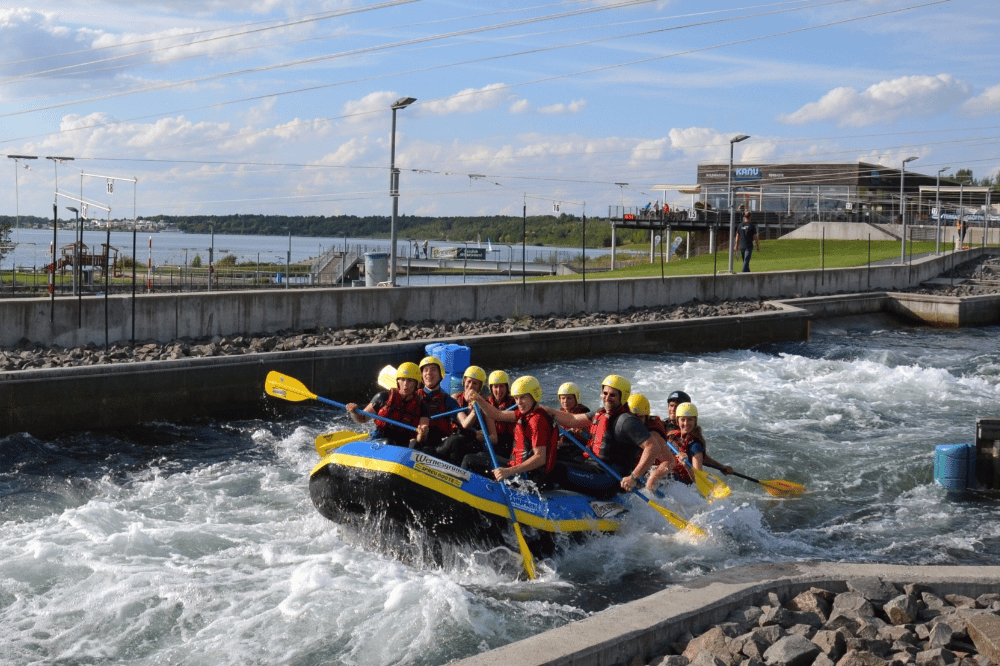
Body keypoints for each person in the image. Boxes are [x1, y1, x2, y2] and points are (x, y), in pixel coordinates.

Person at [549, 375, 671, 499]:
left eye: (612, 395)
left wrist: (634, 477)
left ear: (622, 397)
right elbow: (572, 419)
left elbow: (653, 447)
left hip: (607, 479)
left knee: (551, 466)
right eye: (605, 393)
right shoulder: (601, 413)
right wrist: (542, 410)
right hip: (592, 466)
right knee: (549, 454)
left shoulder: (627, 421)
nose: (607, 398)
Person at [463, 376, 558, 488]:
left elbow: (540, 458)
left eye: (522, 397)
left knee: (469, 460)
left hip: (529, 478)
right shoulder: (526, 412)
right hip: (519, 468)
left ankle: (466, 492)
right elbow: (497, 415)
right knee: (480, 455)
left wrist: (509, 471)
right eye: (516, 398)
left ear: (534, 395)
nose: (519, 402)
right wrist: (479, 399)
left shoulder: (537, 421)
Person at [346, 362, 429, 447]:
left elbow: (421, 439)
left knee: (415, 444)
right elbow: (362, 418)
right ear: (397, 381)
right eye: (402, 379)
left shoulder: (422, 405)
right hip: (380, 441)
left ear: (416, 384)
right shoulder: (383, 397)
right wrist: (354, 412)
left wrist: (423, 433)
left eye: (410, 380)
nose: (405, 384)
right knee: (388, 442)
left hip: (404, 444)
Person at [435, 365, 490, 464]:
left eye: (475, 383)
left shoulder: (484, 404)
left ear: (480, 386)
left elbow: (493, 436)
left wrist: (485, 436)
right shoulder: (455, 398)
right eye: (469, 381)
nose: (471, 386)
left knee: (457, 442)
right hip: (454, 438)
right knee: (454, 441)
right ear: (464, 381)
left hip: (473, 442)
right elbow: (462, 423)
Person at [411, 356, 461, 453]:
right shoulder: (412, 396)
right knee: (413, 443)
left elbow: (464, 422)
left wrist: (473, 412)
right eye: (425, 370)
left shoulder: (448, 400)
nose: (429, 373)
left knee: (456, 440)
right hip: (417, 441)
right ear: (421, 375)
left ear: (440, 374)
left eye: (433, 370)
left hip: (438, 445)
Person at [555, 382, 590, 461]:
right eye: (563, 398)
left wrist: (580, 432)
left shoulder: (584, 412)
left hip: (579, 447)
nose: (565, 401)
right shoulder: (559, 414)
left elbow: (590, 437)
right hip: (563, 446)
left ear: (576, 398)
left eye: (569, 398)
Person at [486, 370, 516, 458]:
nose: (498, 390)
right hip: (495, 440)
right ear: (491, 388)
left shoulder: (515, 402)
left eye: (502, 386)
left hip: (510, 440)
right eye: (495, 387)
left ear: (507, 387)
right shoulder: (486, 402)